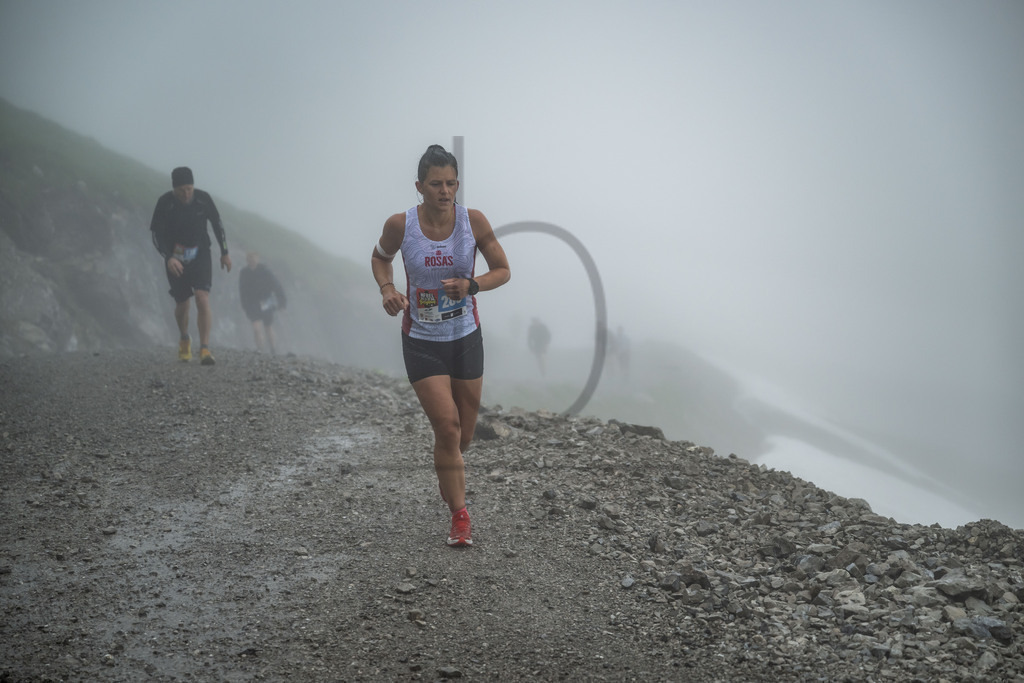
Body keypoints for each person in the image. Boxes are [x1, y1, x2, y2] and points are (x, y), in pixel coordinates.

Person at [371, 144, 511, 547]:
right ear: (419, 186)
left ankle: (447, 469)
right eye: (435, 184)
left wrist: (471, 285)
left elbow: (503, 270)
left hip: (465, 337)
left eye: (451, 183)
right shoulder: (401, 225)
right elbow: (380, 258)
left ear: (457, 185)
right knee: (447, 429)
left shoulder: (473, 221)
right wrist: (387, 289)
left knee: (462, 437)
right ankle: (460, 517)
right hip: (421, 340)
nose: (444, 191)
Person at [150, 166, 231, 364]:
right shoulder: (165, 202)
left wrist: (225, 253)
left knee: (202, 298)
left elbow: (217, 225)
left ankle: (205, 349)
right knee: (182, 303)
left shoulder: (203, 199)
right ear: (174, 189)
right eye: (181, 190)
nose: (186, 194)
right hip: (175, 258)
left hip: (200, 254)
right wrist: (168, 257)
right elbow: (156, 234)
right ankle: (184, 338)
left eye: (189, 189)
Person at [239, 251, 287, 354]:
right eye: (249, 259)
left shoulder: (265, 271)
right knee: (256, 328)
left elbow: (277, 286)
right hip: (252, 303)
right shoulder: (244, 273)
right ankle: (260, 349)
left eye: (253, 258)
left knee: (268, 327)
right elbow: (242, 290)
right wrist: (244, 305)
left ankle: (273, 349)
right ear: (247, 260)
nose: (252, 261)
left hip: (266, 302)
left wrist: (282, 301)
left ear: (257, 259)